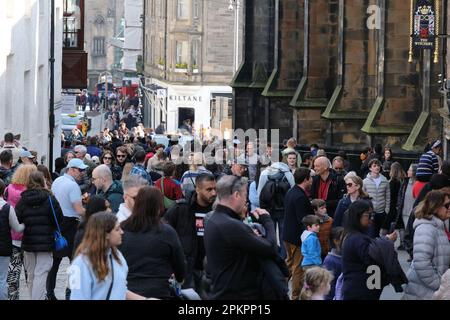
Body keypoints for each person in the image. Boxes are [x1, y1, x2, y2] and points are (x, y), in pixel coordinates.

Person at [204, 175, 278, 299]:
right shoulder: (230, 225)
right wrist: (267, 221)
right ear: (237, 195)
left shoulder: (214, 219)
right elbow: (270, 249)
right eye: (245, 195)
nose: (246, 200)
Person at [119, 186, 186, 299]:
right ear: (159, 206)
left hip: (127, 292)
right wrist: (179, 278)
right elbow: (180, 265)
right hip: (158, 292)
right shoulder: (167, 232)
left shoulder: (121, 229)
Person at [68, 212, 147, 300]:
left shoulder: (117, 256)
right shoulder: (82, 263)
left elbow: (120, 290)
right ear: (105, 234)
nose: (122, 232)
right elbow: (79, 297)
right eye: (117, 229)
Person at [164, 173, 216, 298]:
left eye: (215, 189)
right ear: (197, 189)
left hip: (210, 270)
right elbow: (164, 234)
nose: (213, 193)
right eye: (209, 189)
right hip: (187, 270)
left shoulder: (218, 210)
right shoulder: (181, 208)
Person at [15, 171, 63, 300]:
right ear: (42, 182)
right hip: (46, 242)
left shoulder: (22, 200)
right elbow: (59, 218)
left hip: (28, 241)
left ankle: (34, 297)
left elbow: (17, 219)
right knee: (41, 273)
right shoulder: (49, 198)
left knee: (31, 274)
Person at [341, 200, 397, 300]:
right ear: (357, 216)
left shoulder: (353, 235)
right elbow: (372, 259)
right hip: (361, 290)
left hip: (362, 288)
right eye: (368, 215)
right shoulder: (357, 239)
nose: (371, 219)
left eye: (372, 215)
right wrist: (387, 242)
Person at [48, 158, 87, 300]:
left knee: (55, 261)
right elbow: (78, 209)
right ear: (72, 169)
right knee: (75, 262)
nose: (82, 173)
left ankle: (50, 293)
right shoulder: (73, 186)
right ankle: (71, 293)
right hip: (70, 223)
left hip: (58, 222)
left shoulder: (57, 181)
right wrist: (91, 213)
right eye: (80, 170)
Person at [403, 190, 450, 300]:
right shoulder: (426, 228)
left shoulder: (441, 225)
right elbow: (422, 263)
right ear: (436, 207)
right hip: (423, 291)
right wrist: (440, 284)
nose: (449, 208)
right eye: (447, 205)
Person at [4, 164, 37, 300]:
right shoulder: (33, 193)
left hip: (12, 236)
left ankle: (13, 297)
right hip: (30, 238)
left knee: (12, 275)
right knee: (32, 274)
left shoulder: (8, 189)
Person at [282, 167, 315, 300]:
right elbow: (304, 220)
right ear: (306, 179)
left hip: (287, 235)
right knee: (297, 269)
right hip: (297, 239)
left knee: (289, 265)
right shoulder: (300, 196)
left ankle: (280, 289)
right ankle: (295, 296)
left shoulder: (291, 192)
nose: (312, 180)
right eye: (310, 178)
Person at [0, 179, 24, 300]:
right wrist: (25, 224)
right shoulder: (7, 208)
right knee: (2, 279)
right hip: (4, 248)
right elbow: (17, 228)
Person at [362, 159, 390, 237]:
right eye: (374, 166)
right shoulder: (365, 181)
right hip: (370, 211)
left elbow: (388, 197)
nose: (377, 167)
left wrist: (386, 210)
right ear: (370, 168)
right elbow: (361, 196)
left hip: (381, 211)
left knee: (377, 232)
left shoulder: (385, 181)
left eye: (378, 166)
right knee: (371, 232)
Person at [397, 163, 418, 251]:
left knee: (414, 232)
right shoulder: (405, 182)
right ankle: (410, 250)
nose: (407, 171)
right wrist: (398, 206)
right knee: (408, 232)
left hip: (414, 212)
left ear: (414, 172)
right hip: (405, 211)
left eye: (409, 170)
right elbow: (400, 195)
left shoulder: (417, 183)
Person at [322, 227, 344, 300]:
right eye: (343, 238)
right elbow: (328, 284)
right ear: (336, 241)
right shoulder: (330, 260)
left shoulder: (344, 256)